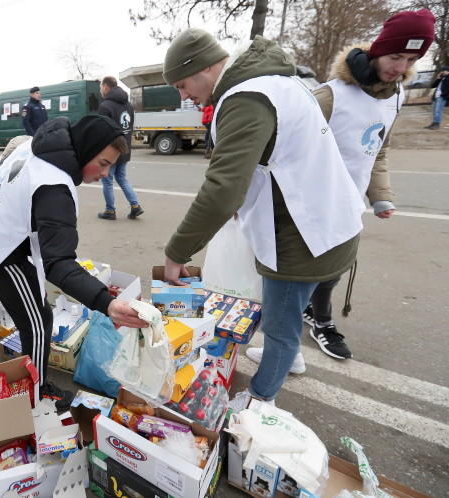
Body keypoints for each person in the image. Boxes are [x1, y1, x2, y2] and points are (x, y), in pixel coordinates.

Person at [161, 29, 365, 402]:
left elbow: (222, 187)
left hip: (305, 235)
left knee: (280, 324)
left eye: (182, 84)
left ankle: (260, 397)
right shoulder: (275, 83)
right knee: (283, 311)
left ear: (205, 67)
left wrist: (178, 252)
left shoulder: (246, 97)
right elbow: (280, 156)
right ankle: (290, 361)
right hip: (327, 220)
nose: (184, 95)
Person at [247, 9, 435, 367]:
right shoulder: (330, 96)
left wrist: (380, 196)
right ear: (378, 49)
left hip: (348, 207)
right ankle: (290, 349)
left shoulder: (395, 98)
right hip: (309, 207)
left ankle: (317, 325)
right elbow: (284, 144)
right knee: (287, 286)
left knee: (329, 274)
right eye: (396, 56)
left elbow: (379, 150)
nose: (400, 67)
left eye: (411, 60)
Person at [0, 115, 147, 410]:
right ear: (87, 150)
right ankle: (35, 395)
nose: (106, 174)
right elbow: (59, 263)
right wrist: (106, 303)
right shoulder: (55, 186)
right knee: (38, 322)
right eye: (103, 163)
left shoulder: (40, 146)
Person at [96, 76, 143, 221]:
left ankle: (110, 211)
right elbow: (130, 127)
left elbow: (102, 131)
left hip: (110, 150)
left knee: (107, 180)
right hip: (125, 148)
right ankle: (135, 206)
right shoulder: (128, 105)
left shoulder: (105, 106)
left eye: (101, 88)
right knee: (122, 177)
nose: (101, 91)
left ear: (105, 87)